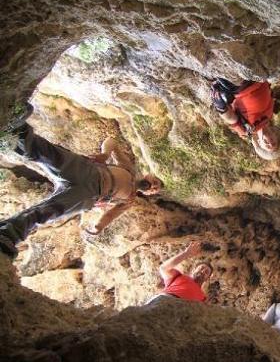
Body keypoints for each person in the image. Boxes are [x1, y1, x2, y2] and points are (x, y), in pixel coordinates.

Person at [0, 104, 163, 258]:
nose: (154, 186)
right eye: (156, 181)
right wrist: (105, 154)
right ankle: (15, 130)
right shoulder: (129, 168)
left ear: (149, 193)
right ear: (149, 175)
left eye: (155, 189)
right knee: (47, 154)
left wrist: (97, 228)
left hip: (89, 194)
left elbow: (111, 215)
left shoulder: (130, 200)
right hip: (87, 170)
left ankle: (9, 233)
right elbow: (111, 142)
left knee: (48, 211)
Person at [210, 78, 280, 160]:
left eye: (268, 146)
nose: (270, 143)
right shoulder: (270, 115)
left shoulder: (246, 130)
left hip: (239, 87)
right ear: (275, 136)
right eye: (274, 143)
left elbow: (230, 118)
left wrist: (219, 105)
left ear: (259, 144)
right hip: (260, 78)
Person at [146, 241, 212, 305]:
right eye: (201, 268)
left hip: (180, 312)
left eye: (206, 272)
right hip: (165, 300)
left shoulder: (203, 298)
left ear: (207, 279)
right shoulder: (178, 276)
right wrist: (186, 254)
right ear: (193, 270)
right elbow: (164, 268)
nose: (203, 271)